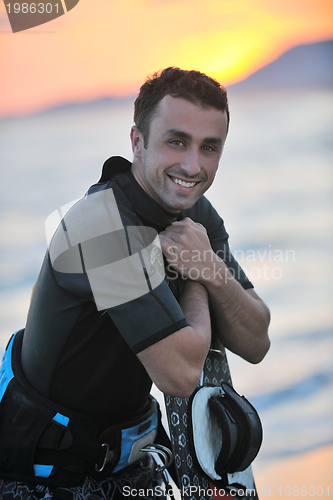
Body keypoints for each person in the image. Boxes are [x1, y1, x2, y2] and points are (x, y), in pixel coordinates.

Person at [0, 67, 270, 499]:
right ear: (137, 141)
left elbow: (257, 340)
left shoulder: (195, 214)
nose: (192, 165)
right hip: (41, 476)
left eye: (209, 147)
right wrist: (202, 273)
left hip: (131, 464)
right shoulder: (100, 229)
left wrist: (208, 268)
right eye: (176, 141)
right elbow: (180, 375)